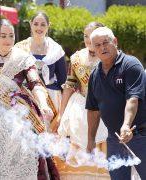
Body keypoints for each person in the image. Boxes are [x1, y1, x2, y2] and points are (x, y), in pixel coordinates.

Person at [0, 17, 54, 180]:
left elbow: (35, 83)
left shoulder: (23, 58)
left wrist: (43, 104)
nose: (8, 40)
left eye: (11, 35)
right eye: (3, 35)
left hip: (16, 108)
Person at [86, 26, 146, 179]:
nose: (102, 47)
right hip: (114, 139)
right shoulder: (94, 75)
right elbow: (93, 110)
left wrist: (126, 125)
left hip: (140, 135)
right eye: (97, 45)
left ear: (115, 41)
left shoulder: (131, 65)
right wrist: (91, 139)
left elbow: (132, 99)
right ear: (93, 48)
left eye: (105, 42)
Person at [52, 22, 108, 166]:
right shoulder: (76, 58)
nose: (88, 40)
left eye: (92, 35)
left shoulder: (110, 56)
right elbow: (69, 86)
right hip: (80, 108)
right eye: (85, 36)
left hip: (104, 110)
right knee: (76, 150)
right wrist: (61, 114)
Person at [15, 11, 67, 130]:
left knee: (51, 139)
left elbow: (63, 81)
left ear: (48, 26)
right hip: (28, 98)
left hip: (52, 99)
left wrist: (64, 110)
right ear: (30, 24)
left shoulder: (56, 50)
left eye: (43, 24)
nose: (39, 27)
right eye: (36, 24)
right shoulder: (19, 48)